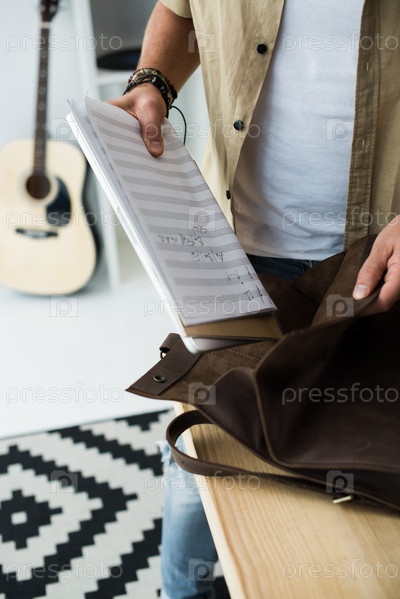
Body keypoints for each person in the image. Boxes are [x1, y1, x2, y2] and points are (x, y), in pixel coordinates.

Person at [110, 2, 400, 597]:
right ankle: (183, 589)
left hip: (380, 263)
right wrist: (153, 82)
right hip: (232, 249)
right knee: (206, 452)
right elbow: (179, 12)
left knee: (360, 470)